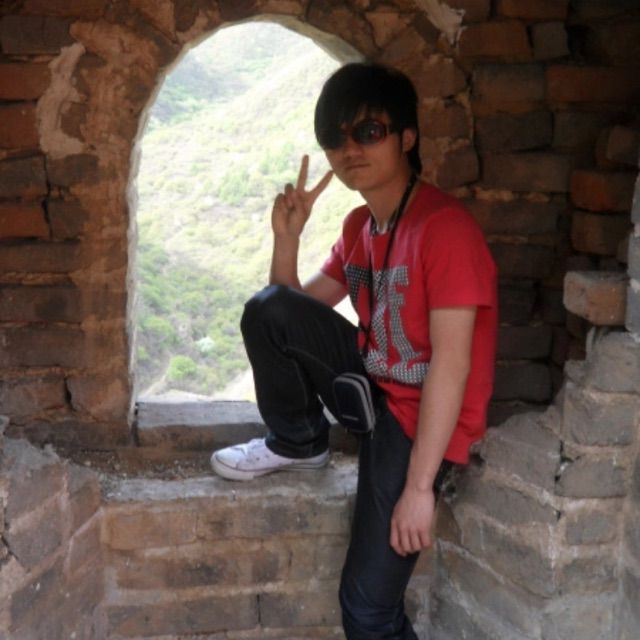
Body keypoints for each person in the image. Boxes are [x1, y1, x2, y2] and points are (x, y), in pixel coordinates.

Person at [211, 62, 498, 639]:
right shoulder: (359, 226)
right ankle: (298, 442)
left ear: (406, 138)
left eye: (368, 132)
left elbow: (452, 366)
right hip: (371, 391)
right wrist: (287, 238)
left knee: (367, 611)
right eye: (334, 137)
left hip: (414, 418)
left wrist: (418, 488)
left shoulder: (444, 229)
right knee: (265, 307)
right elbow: (289, 314)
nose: (349, 150)